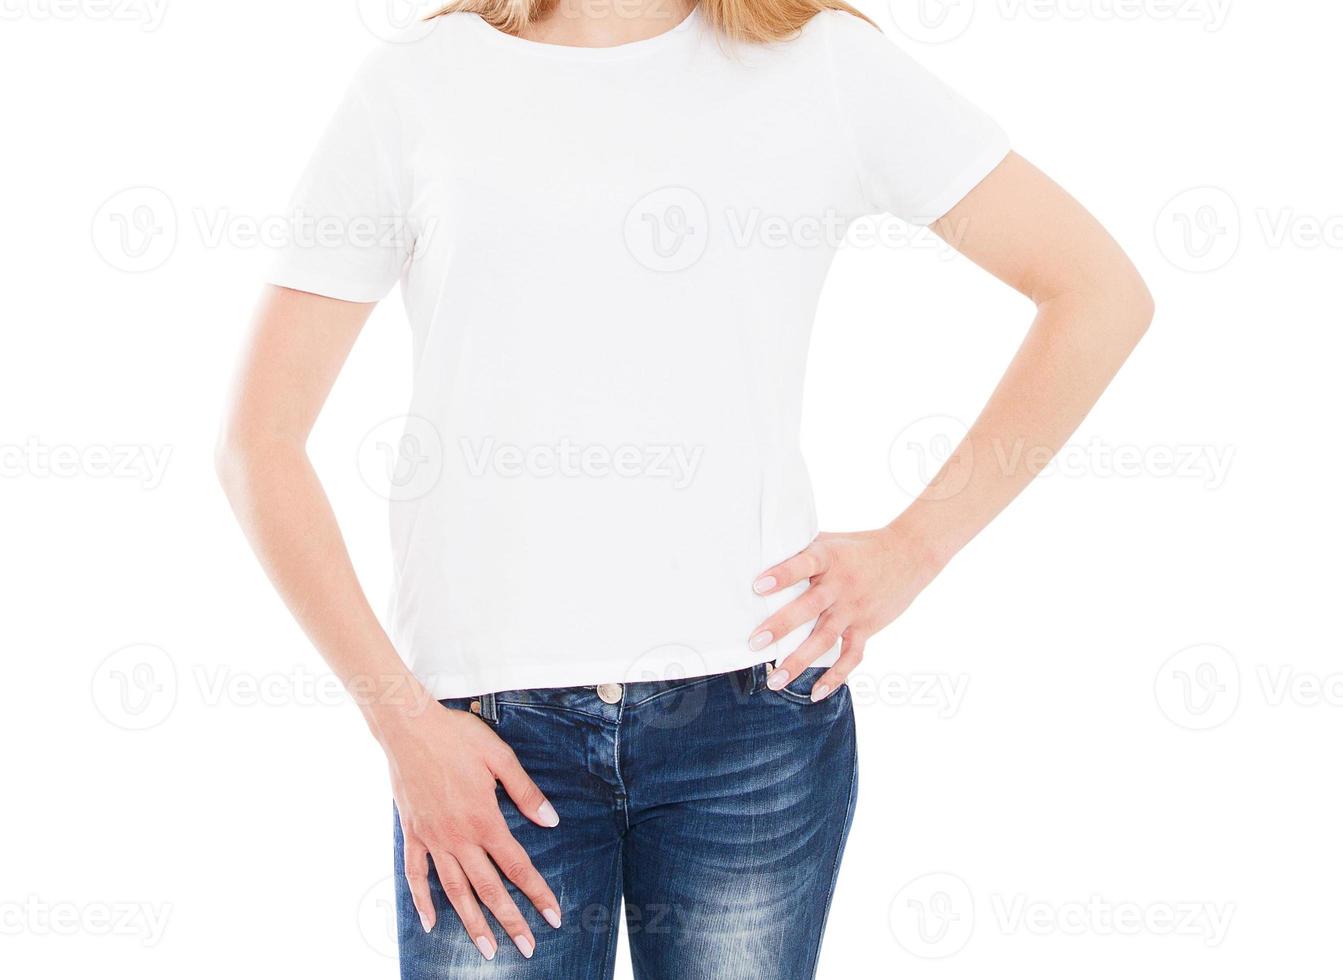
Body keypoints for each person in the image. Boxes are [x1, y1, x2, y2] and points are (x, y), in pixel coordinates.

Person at [216, 0, 1153, 975]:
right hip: (485, 743)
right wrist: (400, 721)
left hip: (749, 724)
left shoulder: (821, 63)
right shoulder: (417, 83)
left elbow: (1096, 292)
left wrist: (918, 543)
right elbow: (259, 441)